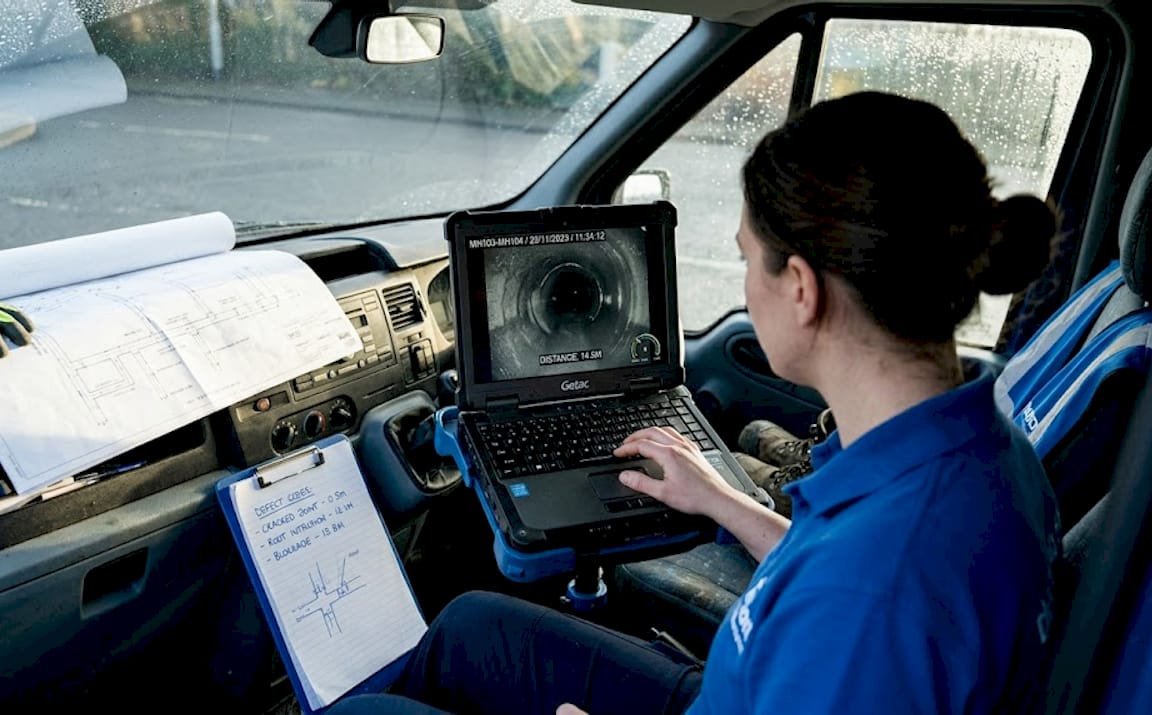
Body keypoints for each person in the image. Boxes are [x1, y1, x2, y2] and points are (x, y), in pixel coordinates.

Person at [326, 91, 1061, 714]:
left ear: (801, 288)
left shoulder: (873, 599)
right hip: (749, 681)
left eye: (747, 258)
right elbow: (831, 571)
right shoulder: (984, 451)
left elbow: (857, 598)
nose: (746, 282)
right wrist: (724, 502)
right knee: (468, 626)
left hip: (755, 681)